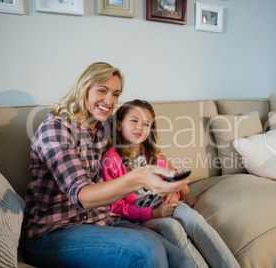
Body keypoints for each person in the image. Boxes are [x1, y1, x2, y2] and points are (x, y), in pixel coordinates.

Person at [22, 62, 194, 268]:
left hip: (103, 221)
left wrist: (170, 182)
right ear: (83, 89)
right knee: (145, 249)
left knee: (180, 259)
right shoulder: (55, 130)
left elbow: (145, 145)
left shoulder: (103, 129)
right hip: (54, 231)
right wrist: (138, 177)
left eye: (116, 94)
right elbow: (82, 195)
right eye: (102, 90)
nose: (110, 100)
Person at [101, 99, 241, 268]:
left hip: (166, 203)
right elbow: (116, 207)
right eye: (133, 121)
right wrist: (153, 214)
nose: (140, 127)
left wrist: (175, 192)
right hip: (143, 216)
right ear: (118, 125)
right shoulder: (111, 160)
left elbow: (172, 178)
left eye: (146, 124)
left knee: (192, 218)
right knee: (171, 227)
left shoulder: (152, 153)